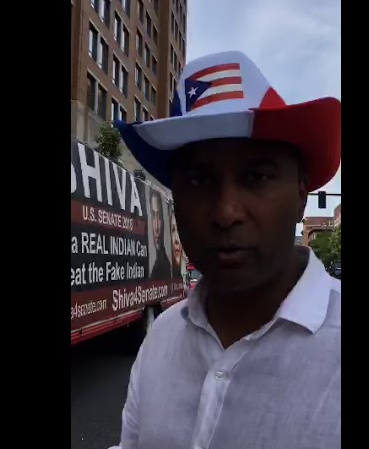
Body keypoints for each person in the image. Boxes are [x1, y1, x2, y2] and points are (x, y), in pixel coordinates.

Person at [112, 50, 341, 449]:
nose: (225, 212)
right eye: (199, 181)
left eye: (256, 176)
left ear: (302, 193)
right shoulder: (161, 337)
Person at [148, 188, 171, 281]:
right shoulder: (154, 266)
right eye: (153, 216)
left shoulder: (165, 267)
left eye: (159, 216)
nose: (156, 227)